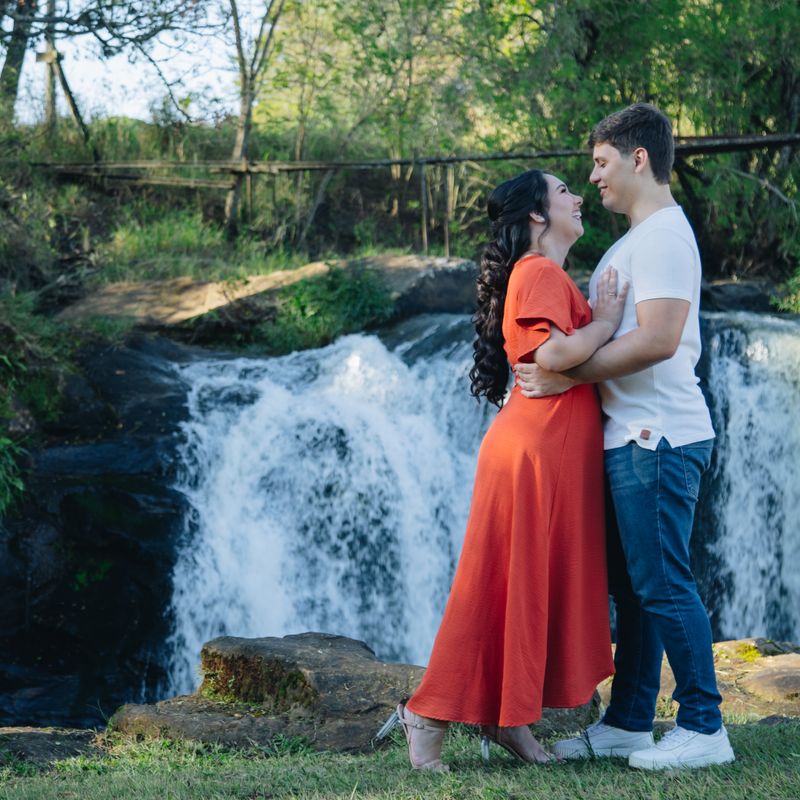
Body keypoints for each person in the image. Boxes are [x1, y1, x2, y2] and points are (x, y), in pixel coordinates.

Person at [378, 168, 626, 771]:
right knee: (493, 589)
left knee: (525, 591)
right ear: (538, 215)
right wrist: (608, 320)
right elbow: (554, 354)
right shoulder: (539, 272)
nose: (577, 196)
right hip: (531, 458)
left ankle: (508, 721)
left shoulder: (544, 274)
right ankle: (426, 714)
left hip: (544, 455)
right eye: (564, 189)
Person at [515, 103, 735, 770]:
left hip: (659, 437)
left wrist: (569, 377)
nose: (593, 177)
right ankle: (631, 720)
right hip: (630, 439)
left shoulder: (664, 234)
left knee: (664, 582)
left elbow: (661, 340)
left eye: (602, 163)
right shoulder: (634, 239)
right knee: (639, 587)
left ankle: (704, 726)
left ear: (640, 159)